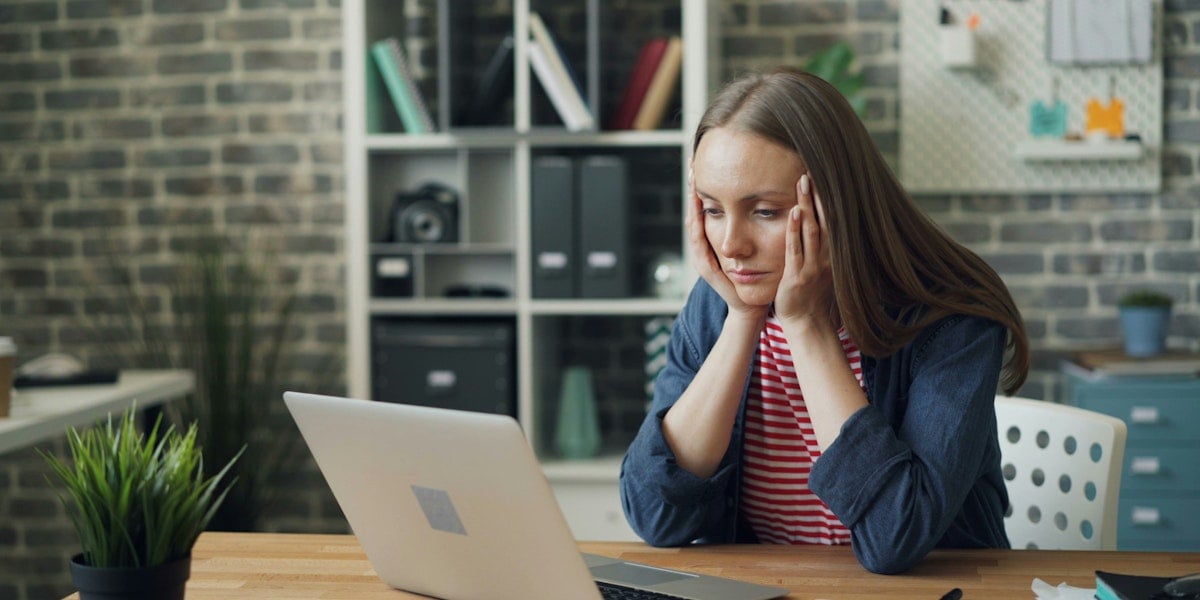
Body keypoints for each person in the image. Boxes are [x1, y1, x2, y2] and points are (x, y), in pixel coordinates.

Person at [619, 66, 1030, 575]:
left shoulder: (951, 318)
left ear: (838, 204)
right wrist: (743, 319)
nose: (731, 246)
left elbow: (894, 538)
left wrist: (807, 326)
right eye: (712, 209)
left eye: (765, 212)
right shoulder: (720, 302)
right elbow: (655, 515)